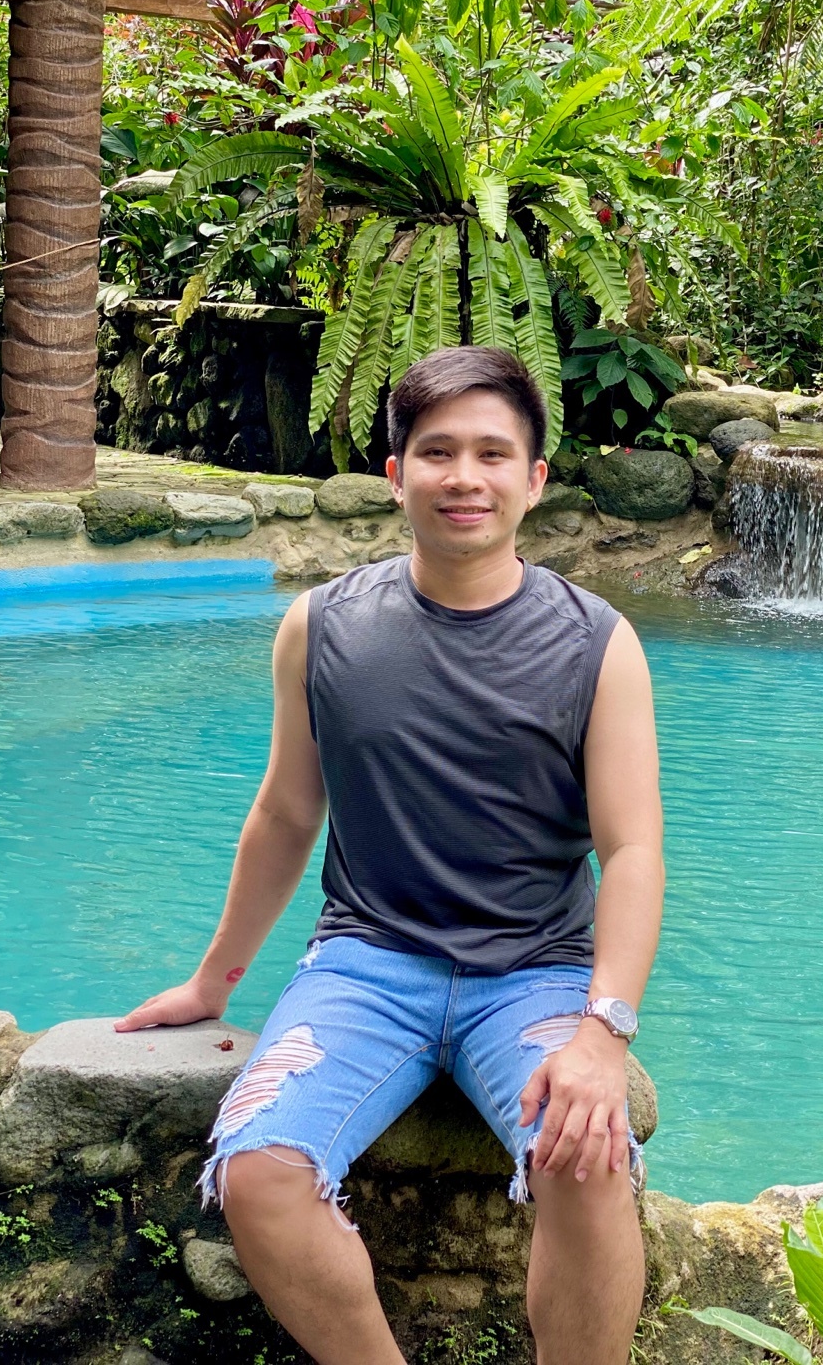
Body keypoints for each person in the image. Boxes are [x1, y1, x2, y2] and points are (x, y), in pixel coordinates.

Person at [116, 345, 665, 1365]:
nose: (466, 477)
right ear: (396, 473)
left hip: (535, 975)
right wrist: (213, 979)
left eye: (494, 454)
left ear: (534, 480)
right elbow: (286, 813)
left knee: (585, 1159)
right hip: (367, 967)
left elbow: (631, 850)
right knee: (258, 1171)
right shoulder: (321, 626)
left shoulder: (598, 643)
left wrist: (604, 1034)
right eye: (438, 451)